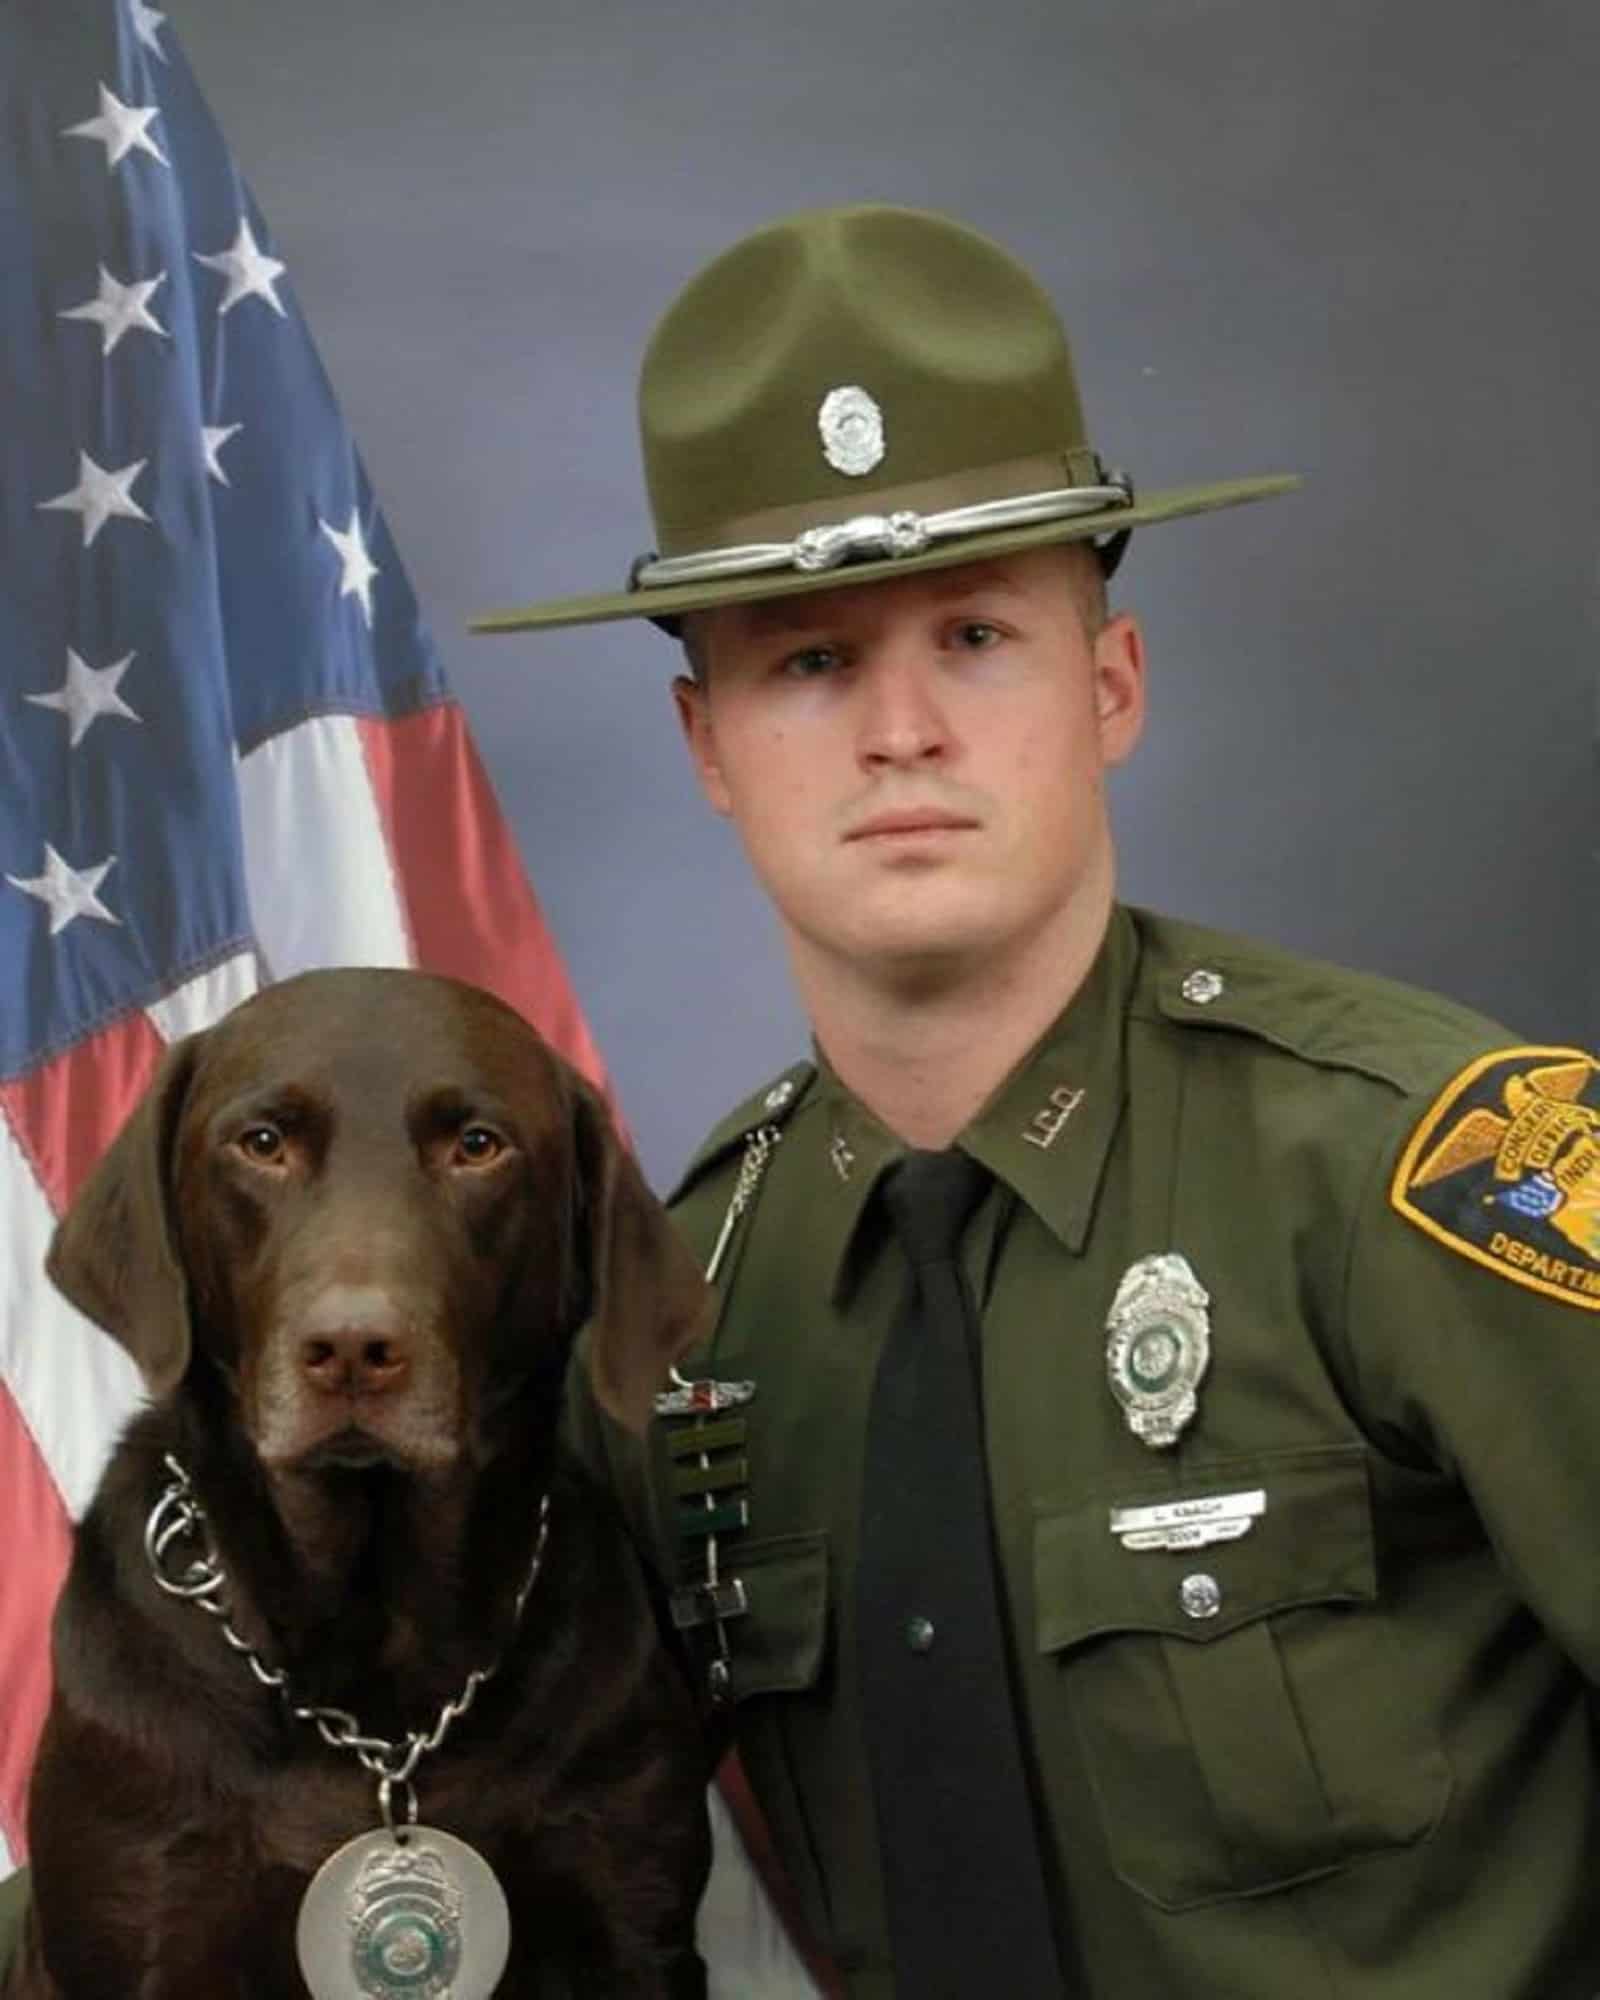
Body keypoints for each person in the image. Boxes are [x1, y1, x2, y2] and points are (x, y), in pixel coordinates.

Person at [474, 203, 1600, 1998]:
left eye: (980, 637)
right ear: (706, 748)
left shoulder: (1421, 1165)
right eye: (811, 660)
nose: (901, 728)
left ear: (1112, 684)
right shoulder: (685, 1318)